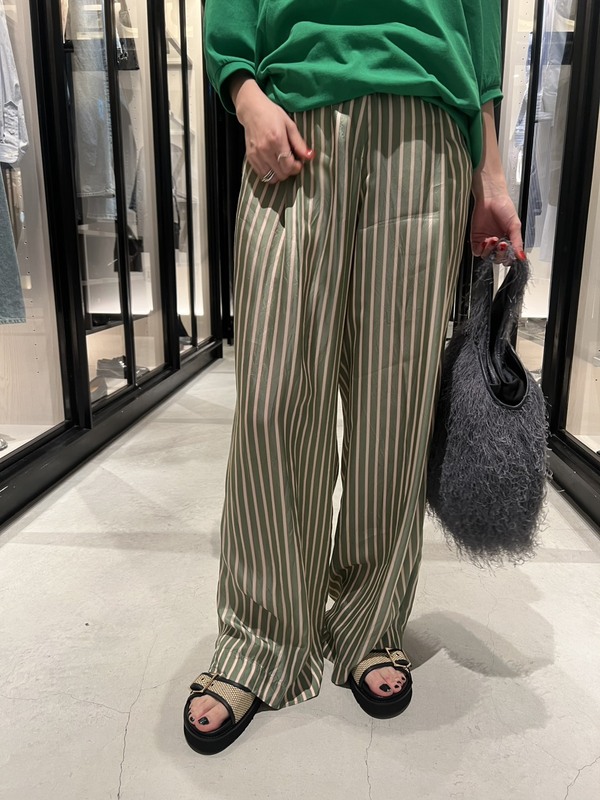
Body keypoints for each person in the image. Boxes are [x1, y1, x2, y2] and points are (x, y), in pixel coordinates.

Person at [184, 0, 523, 755]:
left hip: (427, 123)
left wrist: (490, 170)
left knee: (393, 408)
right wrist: (243, 92)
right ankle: (261, 637)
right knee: (273, 399)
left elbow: (476, 21)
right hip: (293, 120)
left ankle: (370, 623)